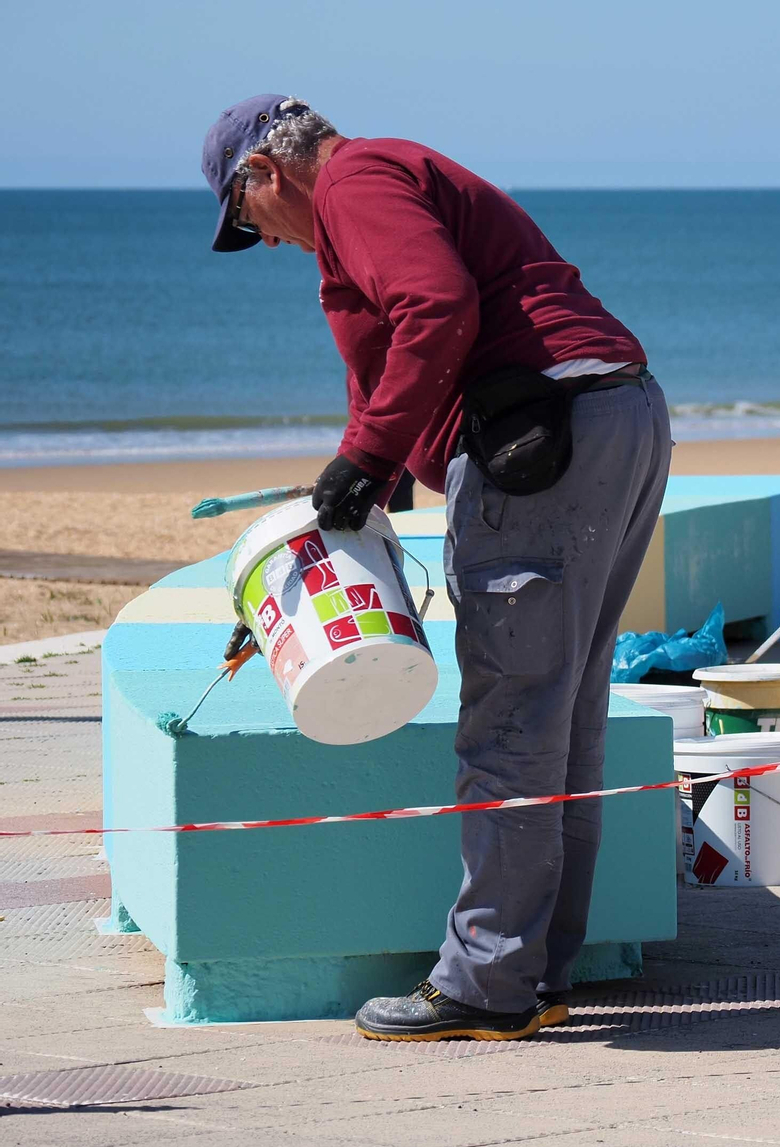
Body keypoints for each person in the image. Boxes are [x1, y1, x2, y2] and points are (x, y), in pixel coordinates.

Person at [201, 95, 670, 1042]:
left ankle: (485, 983)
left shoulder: (354, 183)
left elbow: (435, 305)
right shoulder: (393, 172)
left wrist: (367, 457)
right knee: (565, 714)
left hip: (539, 444)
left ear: (264, 174)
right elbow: (403, 361)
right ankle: (536, 969)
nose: (277, 246)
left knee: (509, 722)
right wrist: (348, 511)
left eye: (254, 226)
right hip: (614, 416)